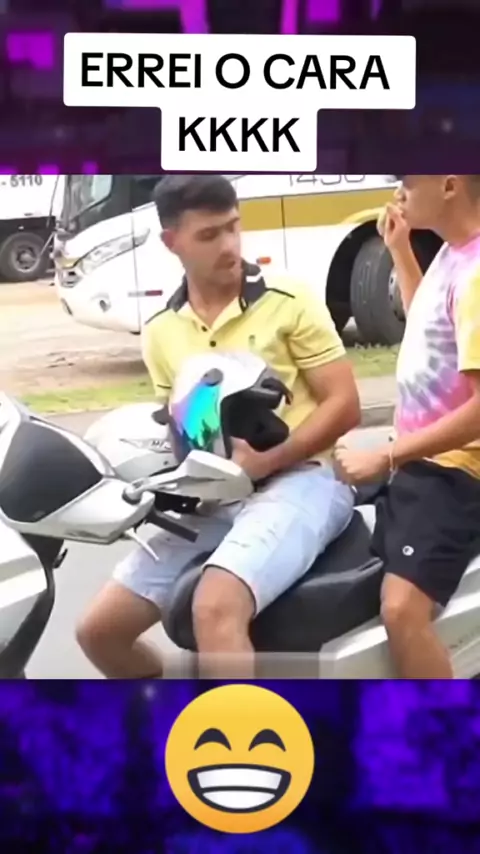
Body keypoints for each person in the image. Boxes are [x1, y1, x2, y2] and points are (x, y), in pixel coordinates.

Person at [76, 174, 360, 679]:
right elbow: (181, 427)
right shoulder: (161, 330)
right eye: (209, 235)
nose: (229, 245)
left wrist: (265, 463)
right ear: (172, 242)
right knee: (99, 632)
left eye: (233, 227)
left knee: (214, 608)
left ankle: (237, 731)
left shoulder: (288, 299)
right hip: (213, 499)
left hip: (304, 482)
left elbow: (346, 406)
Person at [335, 174, 480, 679]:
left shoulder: (476, 273)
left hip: (454, 472)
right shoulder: (451, 252)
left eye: (409, 182)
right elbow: (428, 323)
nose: (399, 193)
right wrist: (399, 249)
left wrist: (386, 456)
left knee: (401, 611)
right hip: (419, 457)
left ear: (449, 186)